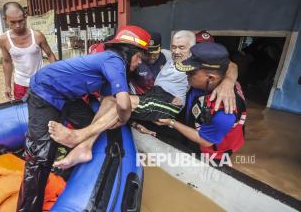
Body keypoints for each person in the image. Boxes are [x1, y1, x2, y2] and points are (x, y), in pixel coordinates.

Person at [47, 31, 239, 168]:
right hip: (163, 100)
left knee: (122, 101)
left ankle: (80, 137)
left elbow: (228, 65)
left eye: (182, 47)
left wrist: (228, 81)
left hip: (201, 139)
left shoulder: (223, 104)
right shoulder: (173, 58)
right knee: (109, 100)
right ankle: (85, 147)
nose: (177, 52)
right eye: (174, 47)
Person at [16, 25, 150, 212]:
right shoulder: (114, 59)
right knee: (40, 156)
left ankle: (80, 149)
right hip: (45, 90)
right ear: (131, 52)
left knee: (91, 123)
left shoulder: (109, 64)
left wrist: (117, 116)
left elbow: (109, 101)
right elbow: (124, 103)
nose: (137, 64)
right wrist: (124, 118)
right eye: (139, 58)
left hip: (68, 96)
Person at [156, 42, 246, 160]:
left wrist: (171, 123)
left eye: (191, 72)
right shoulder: (211, 80)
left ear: (211, 78)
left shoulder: (224, 112)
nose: (186, 73)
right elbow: (232, 65)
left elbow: (205, 141)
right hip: (194, 125)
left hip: (209, 152)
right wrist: (229, 80)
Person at [0, 2, 57, 100]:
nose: (18, 25)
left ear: (25, 16)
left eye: (20, 21)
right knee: (23, 111)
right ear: (5, 19)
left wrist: (56, 76)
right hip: (20, 85)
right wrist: (7, 86)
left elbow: (50, 55)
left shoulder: (37, 36)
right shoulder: (3, 39)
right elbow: (7, 62)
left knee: (46, 111)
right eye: (13, 22)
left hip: (40, 82)